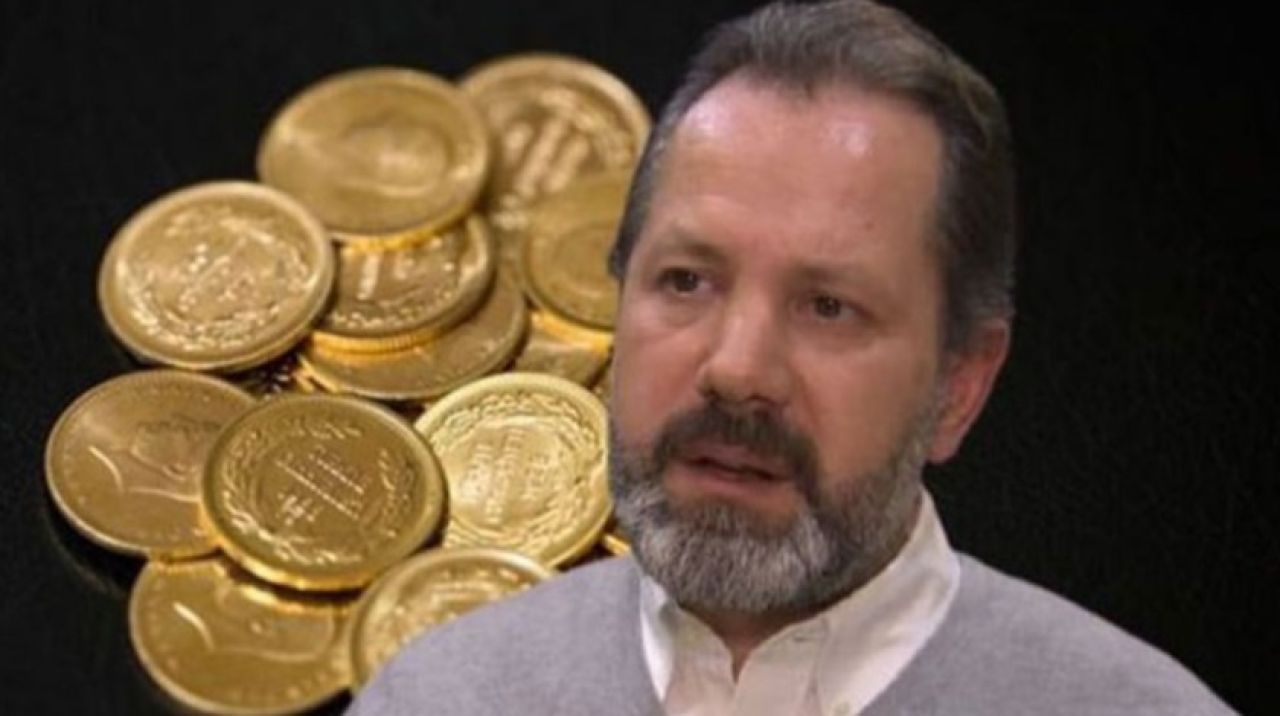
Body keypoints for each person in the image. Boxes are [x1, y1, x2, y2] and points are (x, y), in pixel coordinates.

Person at [349, 1, 1234, 713]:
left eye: (828, 307)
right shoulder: (436, 698)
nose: (737, 369)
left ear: (961, 383)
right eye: (687, 281)